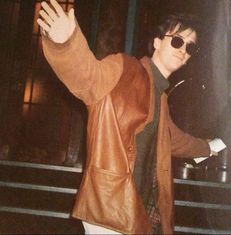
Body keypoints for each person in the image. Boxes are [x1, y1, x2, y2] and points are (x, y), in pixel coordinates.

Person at [37, 0, 216, 234]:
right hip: (110, 206)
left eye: (190, 47)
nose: (183, 49)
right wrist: (66, 43)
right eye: (178, 40)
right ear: (157, 43)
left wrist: (208, 148)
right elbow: (89, 78)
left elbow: (173, 139)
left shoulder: (160, 96)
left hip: (134, 207)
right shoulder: (125, 68)